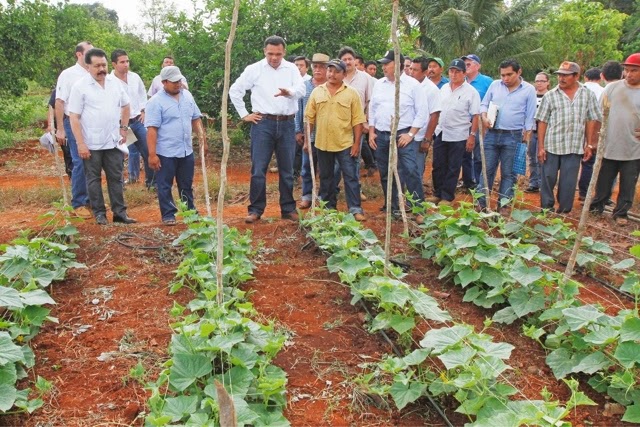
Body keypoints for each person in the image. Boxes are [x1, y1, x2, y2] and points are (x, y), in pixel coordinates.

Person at [229, 35, 306, 224]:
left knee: (287, 170)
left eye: (278, 54)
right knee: (258, 169)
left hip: (287, 124)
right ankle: (256, 209)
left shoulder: (291, 69)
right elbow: (235, 90)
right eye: (270, 53)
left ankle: (288, 209)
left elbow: (302, 90)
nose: (274, 57)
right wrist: (244, 114)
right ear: (264, 51)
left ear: (284, 52)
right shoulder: (254, 69)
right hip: (262, 123)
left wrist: (290, 93)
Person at [68, 48, 135, 225]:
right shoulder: (80, 86)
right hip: (91, 143)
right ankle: (99, 214)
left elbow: (126, 105)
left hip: (113, 141)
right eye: (97, 66)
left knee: (116, 177)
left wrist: (123, 128)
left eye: (103, 65)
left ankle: (120, 214)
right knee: (93, 179)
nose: (101, 69)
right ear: (88, 66)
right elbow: (73, 117)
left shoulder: (114, 83)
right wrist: (80, 144)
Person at [368, 50, 429, 218]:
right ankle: (392, 208)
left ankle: (418, 209)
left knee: (410, 170)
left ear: (398, 65)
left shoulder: (412, 85)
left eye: (387, 64)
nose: (384, 67)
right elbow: (373, 109)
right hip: (381, 135)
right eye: (383, 64)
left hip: (403, 135)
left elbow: (422, 112)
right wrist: (372, 132)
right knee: (385, 172)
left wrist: (410, 134)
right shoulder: (379, 84)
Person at [536, 61, 601, 213]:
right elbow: (542, 122)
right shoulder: (550, 95)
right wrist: (541, 147)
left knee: (568, 181)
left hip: (574, 146)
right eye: (559, 75)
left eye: (565, 76)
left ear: (576, 76)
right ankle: (546, 208)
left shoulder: (587, 95)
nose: (561, 78)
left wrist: (589, 144)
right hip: (552, 145)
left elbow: (592, 119)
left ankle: (564, 210)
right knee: (548, 177)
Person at [305, 59, 366, 220]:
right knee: (326, 177)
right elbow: (309, 118)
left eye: (336, 71)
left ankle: (355, 208)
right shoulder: (317, 92)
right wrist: (306, 141)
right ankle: (328, 208)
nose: (332, 74)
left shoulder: (352, 93)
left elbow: (358, 120)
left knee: (350, 176)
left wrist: (356, 144)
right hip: (322, 143)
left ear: (344, 74)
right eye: (330, 70)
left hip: (345, 143)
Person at [145, 66, 205, 225]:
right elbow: (152, 129)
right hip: (166, 151)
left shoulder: (187, 96)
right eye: (173, 82)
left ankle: (189, 212)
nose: (178, 84)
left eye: (179, 80)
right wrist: (152, 154)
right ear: (164, 82)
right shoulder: (155, 102)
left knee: (186, 184)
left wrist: (202, 138)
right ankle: (168, 214)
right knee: (164, 185)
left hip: (186, 150)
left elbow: (196, 118)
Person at [477, 59, 537, 213]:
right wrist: (484, 117)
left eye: (509, 74)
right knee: (486, 169)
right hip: (492, 133)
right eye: (503, 75)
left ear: (519, 72)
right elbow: (484, 104)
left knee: (509, 173)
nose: (505, 78)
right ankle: (481, 205)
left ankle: (503, 206)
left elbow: (530, 117)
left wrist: (526, 138)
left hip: (513, 135)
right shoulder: (495, 85)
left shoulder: (529, 90)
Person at [589, 53, 640, 226]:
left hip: (633, 148)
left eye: (634, 70)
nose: (629, 74)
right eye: (626, 70)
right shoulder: (612, 88)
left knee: (628, 183)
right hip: (609, 145)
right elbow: (597, 115)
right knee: (603, 180)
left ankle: (621, 213)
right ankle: (596, 208)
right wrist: (594, 141)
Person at [429, 59, 480, 205]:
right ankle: (437, 193)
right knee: (438, 165)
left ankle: (447, 196)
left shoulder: (471, 92)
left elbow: (475, 115)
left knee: (453, 166)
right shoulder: (444, 88)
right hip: (441, 132)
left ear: (464, 73)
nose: (454, 74)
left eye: (457, 71)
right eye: (452, 71)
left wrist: (472, 136)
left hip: (459, 135)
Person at [55, 41, 93, 218]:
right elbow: (59, 102)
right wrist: (60, 129)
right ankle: (78, 203)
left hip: (92, 123)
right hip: (72, 121)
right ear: (79, 54)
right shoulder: (68, 74)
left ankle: (91, 199)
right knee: (79, 160)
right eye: (89, 52)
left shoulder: (93, 72)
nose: (92, 55)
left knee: (93, 161)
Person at [110, 49, 155, 190]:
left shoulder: (135, 77)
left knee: (148, 150)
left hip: (137, 121)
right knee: (122, 154)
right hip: (122, 125)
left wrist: (143, 110)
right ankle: (124, 183)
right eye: (122, 62)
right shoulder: (109, 82)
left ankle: (152, 184)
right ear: (113, 64)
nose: (126, 64)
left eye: (127, 61)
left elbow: (142, 94)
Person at [295, 53, 329, 209]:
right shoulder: (305, 86)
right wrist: (298, 130)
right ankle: (307, 196)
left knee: (325, 168)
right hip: (309, 134)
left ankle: (323, 197)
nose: (318, 70)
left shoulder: (331, 86)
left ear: (328, 69)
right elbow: (299, 110)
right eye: (315, 66)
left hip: (327, 136)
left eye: (322, 67)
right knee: (307, 167)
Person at [338, 46, 376, 177]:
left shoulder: (366, 78)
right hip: (338, 125)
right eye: (344, 59)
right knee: (336, 161)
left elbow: (371, 101)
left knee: (354, 157)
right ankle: (334, 191)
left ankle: (356, 189)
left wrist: (367, 122)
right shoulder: (336, 76)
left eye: (350, 59)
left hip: (357, 125)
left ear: (355, 61)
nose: (347, 62)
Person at [461, 54, 493, 189]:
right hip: (462, 123)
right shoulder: (461, 81)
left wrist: (487, 122)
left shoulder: (487, 82)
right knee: (464, 154)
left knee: (479, 154)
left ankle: (480, 183)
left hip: (480, 123)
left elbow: (493, 102)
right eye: (465, 64)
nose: (466, 66)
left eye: (469, 64)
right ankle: (468, 182)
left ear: (478, 66)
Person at [408, 56, 442, 183]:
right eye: (410, 69)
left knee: (416, 169)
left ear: (425, 72)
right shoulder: (406, 85)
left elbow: (434, 115)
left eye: (415, 70)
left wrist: (427, 139)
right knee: (403, 169)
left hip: (419, 136)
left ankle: (415, 200)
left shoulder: (432, 90)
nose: (411, 72)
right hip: (405, 134)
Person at [577, 67, 606, 200]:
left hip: (576, 130)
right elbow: (599, 116)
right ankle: (584, 192)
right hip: (593, 130)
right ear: (600, 77)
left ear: (585, 77)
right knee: (589, 161)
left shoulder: (579, 89)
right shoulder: (603, 91)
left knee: (572, 161)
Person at [525, 72, 551, 193]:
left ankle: (542, 183)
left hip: (544, 133)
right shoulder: (531, 96)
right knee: (531, 158)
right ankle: (533, 182)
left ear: (548, 82)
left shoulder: (550, 96)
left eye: (542, 81)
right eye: (537, 81)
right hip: (531, 131)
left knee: (542, 158)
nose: (539, 83)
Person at [47, 89, 73, 178]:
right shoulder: (59, 90)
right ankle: (71, 174)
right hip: (63, 126)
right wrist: (51, 125)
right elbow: (52, 107)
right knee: (68, 151)